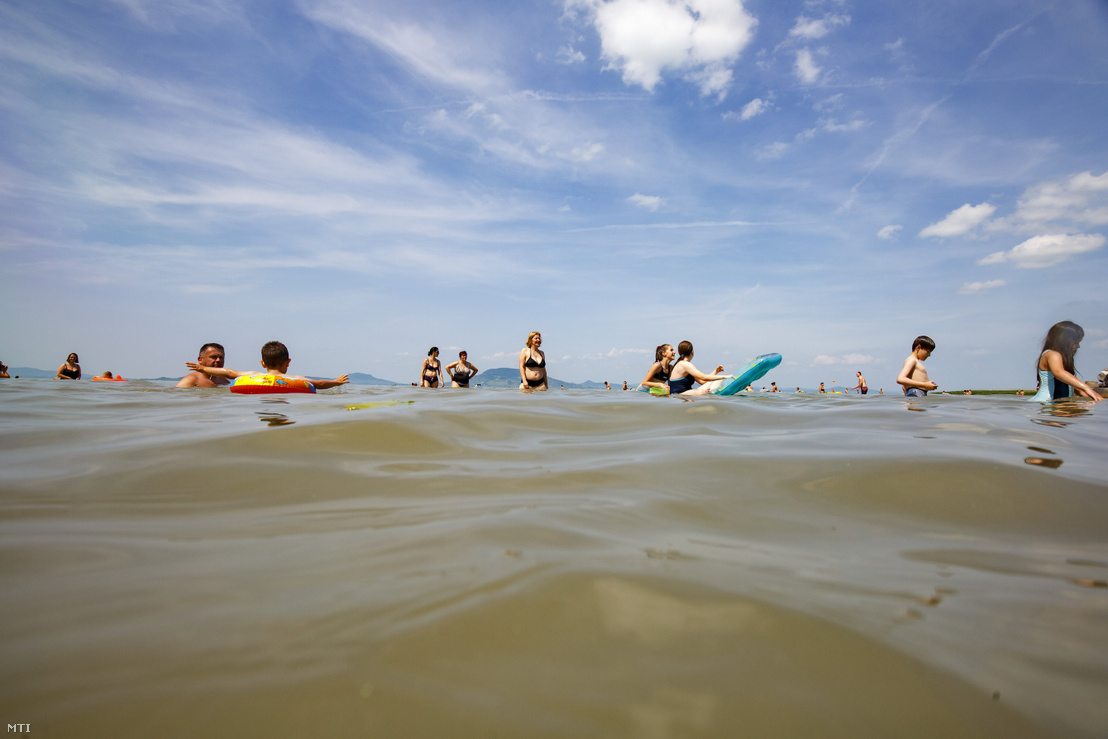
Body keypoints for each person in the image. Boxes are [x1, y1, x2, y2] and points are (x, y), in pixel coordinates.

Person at [186, 340, 349, 390]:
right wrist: (337, 381)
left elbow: (229, 373)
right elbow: (319, 384)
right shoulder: (295, 378)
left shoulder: (253, 375)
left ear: (262, 363)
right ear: (288, 362)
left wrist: (203, 368)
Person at [1030, 321, 1101, 403]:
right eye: (1075, 342)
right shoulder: (1051, 354)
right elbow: (1058, 373)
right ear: (1063, 340)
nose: (1078, 346)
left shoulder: (1064, 359)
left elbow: (1075, 388)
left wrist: (1094, 398)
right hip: (1047, 404)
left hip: (1059, 405)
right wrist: (1087, 388)